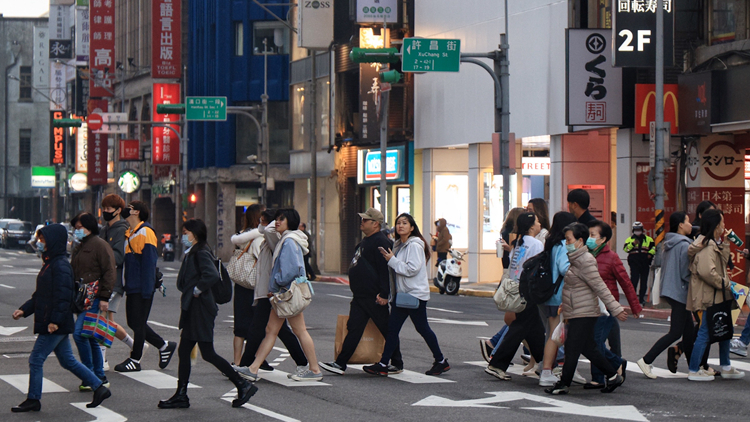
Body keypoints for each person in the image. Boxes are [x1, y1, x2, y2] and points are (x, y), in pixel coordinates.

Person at [11, 224, 111, 412]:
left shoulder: (60, 266)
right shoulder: (51, 263)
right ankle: (98, 387)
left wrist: (54, 322)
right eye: (39, 239)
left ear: (53, 241)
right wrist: (24, 310)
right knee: (67, 361)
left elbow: (63, 297)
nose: (40, 243)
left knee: (36, 359)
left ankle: (33, 399)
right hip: (55, 321)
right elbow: (41, 295)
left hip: (54, 322)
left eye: (43, 239)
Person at [158, 219, 257, 409]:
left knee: (208, 353)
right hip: (194, 308)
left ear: (195, 233)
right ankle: (181, 394)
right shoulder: (195, 251)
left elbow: (211, 275)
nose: (184, 236)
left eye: (186, 233)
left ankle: (242, 385)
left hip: (200, 308)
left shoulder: (201, 252)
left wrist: (197, 289)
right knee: (185, 350)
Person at [238, 209, 323, 382]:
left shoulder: (289, 241)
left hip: (286, 294)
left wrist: (275, 285)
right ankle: (253, 368)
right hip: (283, 294)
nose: (277, 222)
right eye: (276, 219)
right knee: (272, 330)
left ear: (290, 221)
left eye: (281, 219)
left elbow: (289, 271)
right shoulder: (286, 239)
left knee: (299, 331)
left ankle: (314, 370)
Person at [363, 213, 450, 376]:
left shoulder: (415, 245)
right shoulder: (399, 245)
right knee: (392, 330)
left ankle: (440, 361)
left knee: (422, 329)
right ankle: (383, 363)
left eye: (404, 223)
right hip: (402, 296)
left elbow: (411, 269)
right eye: (398, 223)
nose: (400, 226)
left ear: (411, 228)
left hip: (414, 295)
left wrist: (392, 260)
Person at [545, 223, 626, 395]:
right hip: (577, 310)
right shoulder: (576, 259)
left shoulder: (585, 260)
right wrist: (565, 305)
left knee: (572, 348)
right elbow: (576, 288)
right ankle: (613, 375)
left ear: (580, 241)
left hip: (584, 312)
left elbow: (600, 286)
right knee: (588, 348)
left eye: (569, 239)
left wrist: (616, 308)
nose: (567, 243)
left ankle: (563, 384)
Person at [319, 208, 403, 375]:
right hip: (360, 295)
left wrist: (384, 294)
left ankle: (397, 362)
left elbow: (384, 270)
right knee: (354, 328)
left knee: (386, 328)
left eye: (365, 220)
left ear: (375, 224)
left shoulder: (381, 242)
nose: (362, 222)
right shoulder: (365, 241)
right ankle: (340, 363)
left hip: (373, 296)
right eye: (362, 219)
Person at [114, 201, 177, 373]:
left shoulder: (146, 232)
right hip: (132, 286)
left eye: (130, 207)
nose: (127, 209)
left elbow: (149, 263)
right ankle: (164, 346)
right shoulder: (130, 233)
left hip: (142, 287)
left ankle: (135, 359)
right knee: (134, 322)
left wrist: (147, 290)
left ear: (136, 212)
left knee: (138, 323)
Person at [685, 209, 745, 381]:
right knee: (705, 332)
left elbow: (722, 263)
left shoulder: (713, 243)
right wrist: (727, 284)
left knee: (726, 329)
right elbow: (707, 272)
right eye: (723, 223)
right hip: (708, 297)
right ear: (716, 225)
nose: (725, 226)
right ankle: (694, 370)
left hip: (717, 296)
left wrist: (725, 244)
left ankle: (726, 366)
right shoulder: (706, 245)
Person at [485, 213, 545, 381]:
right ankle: (497, 364)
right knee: (520, 327)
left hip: (515, 288)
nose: (539, 224)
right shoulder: (536, 244)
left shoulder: (518, 243)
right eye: (537, 221)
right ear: (532, 226)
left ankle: (545, 365)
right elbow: (536, 268)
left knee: (535, 330)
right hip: (528, 290)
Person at [636, 212, 696, 379]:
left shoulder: (669, 242)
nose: (690, 224)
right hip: (680, 291)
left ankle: (693, 367)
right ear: (681, 225)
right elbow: (685, 272)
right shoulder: (683, 245)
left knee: (689, 332)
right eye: (688, 221)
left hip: (671, 289)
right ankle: (646, 360)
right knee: (676, 332)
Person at [586, 220, 641, 388]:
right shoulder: (586, 255)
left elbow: (625, 282)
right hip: (589, 306)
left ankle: (599, 377)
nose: (589, 238)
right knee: (592, 342)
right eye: (588, 235)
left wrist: (635, 306)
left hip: (607, 307)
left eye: (593, 235)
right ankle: (616, 363)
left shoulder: (612, 258)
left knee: (595, 342)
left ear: (603, 239)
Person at [70, 213, 116, 392]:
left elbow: (109, 272)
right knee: (89, 336)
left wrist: (105, 297)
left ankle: (91, 373)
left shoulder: (100, 245)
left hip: (94, 297)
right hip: (82, 297)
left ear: (89, 227)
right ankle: (97, 375)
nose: (77, 231)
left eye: (79, 227)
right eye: (76, 228)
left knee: (80, 334)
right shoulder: (79, 246)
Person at [538, 212, 577, 387]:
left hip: (550, 295)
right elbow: (564, 268)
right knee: (555, 336)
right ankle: (547, 371)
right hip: (559, 296)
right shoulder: (562, 245)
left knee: (552, 334)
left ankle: (548, 369)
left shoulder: (551, 243)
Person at [99, 194, 135, 371]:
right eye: (104, 209)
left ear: (118, 210)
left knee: (101, 319)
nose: (106, 212)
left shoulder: (121, 229)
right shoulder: (105, 229)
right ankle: (136, 346)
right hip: (104, 279)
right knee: (108, 321)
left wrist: (101, 259)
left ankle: (103, 359)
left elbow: (119, 257)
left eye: (109, 209)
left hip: (114, 281)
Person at [230, 204, 265, 366]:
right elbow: (262, 259)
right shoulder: (258, 238)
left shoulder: (241, 235)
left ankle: (237, 361)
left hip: (241, 284)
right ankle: (252, 360)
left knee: (240, 327)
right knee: (256, 326)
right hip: (255, 285)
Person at [623, 221, 655, 305]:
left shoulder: (648, 239)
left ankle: (641, 299)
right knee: (634, 281)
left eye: (639, 229)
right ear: (633, 230)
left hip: (644, 262)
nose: (637, 231)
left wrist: (649, 254)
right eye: (636, 229)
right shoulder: (629, 239)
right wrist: (633, 244)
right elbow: (626, 249)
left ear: (642, 229)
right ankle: (633, 300)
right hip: (634, 263)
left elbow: (654, 248)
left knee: (644, 282)